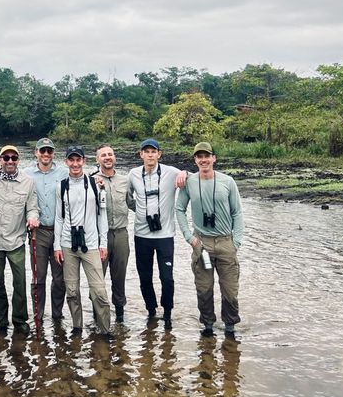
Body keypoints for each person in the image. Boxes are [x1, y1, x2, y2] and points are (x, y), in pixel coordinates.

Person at [175, 142, 244, 337]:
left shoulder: (227, 182)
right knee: (204, 289)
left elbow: (237, 212)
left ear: (214, 158)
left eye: (207, 156)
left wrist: (236, 242)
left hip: (225, 242)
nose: (203, 160)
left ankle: (230, 327)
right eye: (199, 157)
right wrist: (189, 237)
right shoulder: (189, 182)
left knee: (230, 291)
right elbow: (179, 209)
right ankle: (207, 326)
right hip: (201, 243)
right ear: (195, 160)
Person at [127, 138, 184, 329]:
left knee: (167, 278)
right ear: (141, 154)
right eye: (146, 151)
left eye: (154, 151)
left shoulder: (171, 172)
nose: (150, 155)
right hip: (141, 235)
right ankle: (151, 311)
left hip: (165, 235)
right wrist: (142, 212)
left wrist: (185, 173)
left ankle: (167, 313)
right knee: (145, 277)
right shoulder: (133, 174)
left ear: (159, 154)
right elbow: (128, 199)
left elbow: (190, 178)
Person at [0, 145, 39, 334]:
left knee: (20, 283)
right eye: (5, 158)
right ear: (0, 160)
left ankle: (20, 321)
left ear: (18, 160)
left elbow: (32, 206)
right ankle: (1, 322)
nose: (10, 161)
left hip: (16, 241)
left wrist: (33, 217)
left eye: (13, 158)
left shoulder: (28, 182)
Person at [53, 146, 110, 335]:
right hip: (68, 244)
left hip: (92, 244)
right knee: (72, 291)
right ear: (66, 162)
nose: (75, 164)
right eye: (71, 160)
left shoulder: (96, 184)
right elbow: (59, 218)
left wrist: (103, 243)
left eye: (79, 160)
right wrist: (57, 246)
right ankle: (77, 327)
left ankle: (105, 329)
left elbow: (102, 215)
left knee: (99, 291)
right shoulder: (61, 186)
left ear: (84, 161)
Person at [23, 137, 68, 324]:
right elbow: (5, 174)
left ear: (53, 154)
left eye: (49, 151)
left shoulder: (64, 172)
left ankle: (57, 315)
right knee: (38, 277)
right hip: (37, 232)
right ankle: (38, 315)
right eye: (43, 151)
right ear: (36, 153)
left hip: (60, 231)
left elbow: (83, 181)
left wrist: (97, 179)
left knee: (60, 279)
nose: (46, 154)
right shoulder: (26, 174)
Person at [92, 144, 130, 323]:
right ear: (97, 159)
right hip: (100, 236)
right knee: (98, 278)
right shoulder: (90, 180)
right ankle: (97, 314)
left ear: (114, 158)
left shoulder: (125, 181)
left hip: (121, 233)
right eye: (103, 155)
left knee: (120, 275)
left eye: (110, 154)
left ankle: (120, 315)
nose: (107, 157)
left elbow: (133, 203)